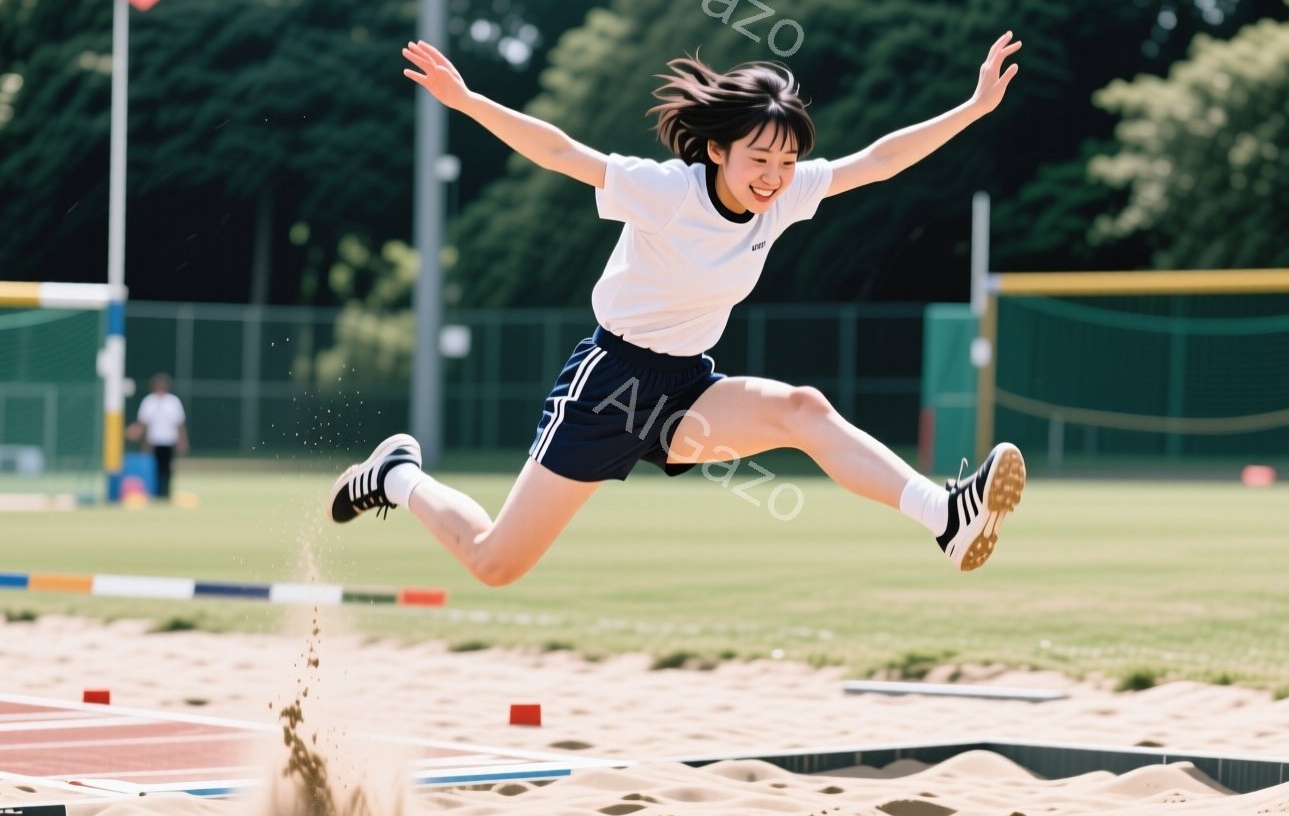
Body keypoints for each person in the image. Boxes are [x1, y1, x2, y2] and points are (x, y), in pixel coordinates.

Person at [327, 36, 1028, 586]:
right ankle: (397, 474)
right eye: (758, 159)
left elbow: (875, 161)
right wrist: (470, 99)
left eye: (786, 163)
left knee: (803, 411)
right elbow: (559, 151)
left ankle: (947, 516)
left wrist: (972, 109)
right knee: (495, 563)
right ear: (718, 148)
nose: (773, 177)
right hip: (610, 386)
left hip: (687, 388)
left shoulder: (781, 197)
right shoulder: (666, 191)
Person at [127, 373, 188, 499]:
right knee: (152, 468)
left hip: (168, 441)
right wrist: (135, 432)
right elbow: (143, 423)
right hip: (153, 442)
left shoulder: (173, 402)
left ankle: (165, 493)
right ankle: (153, 492)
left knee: (166, 469)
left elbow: (179, 425)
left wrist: (182, 441)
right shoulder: (149, 401)